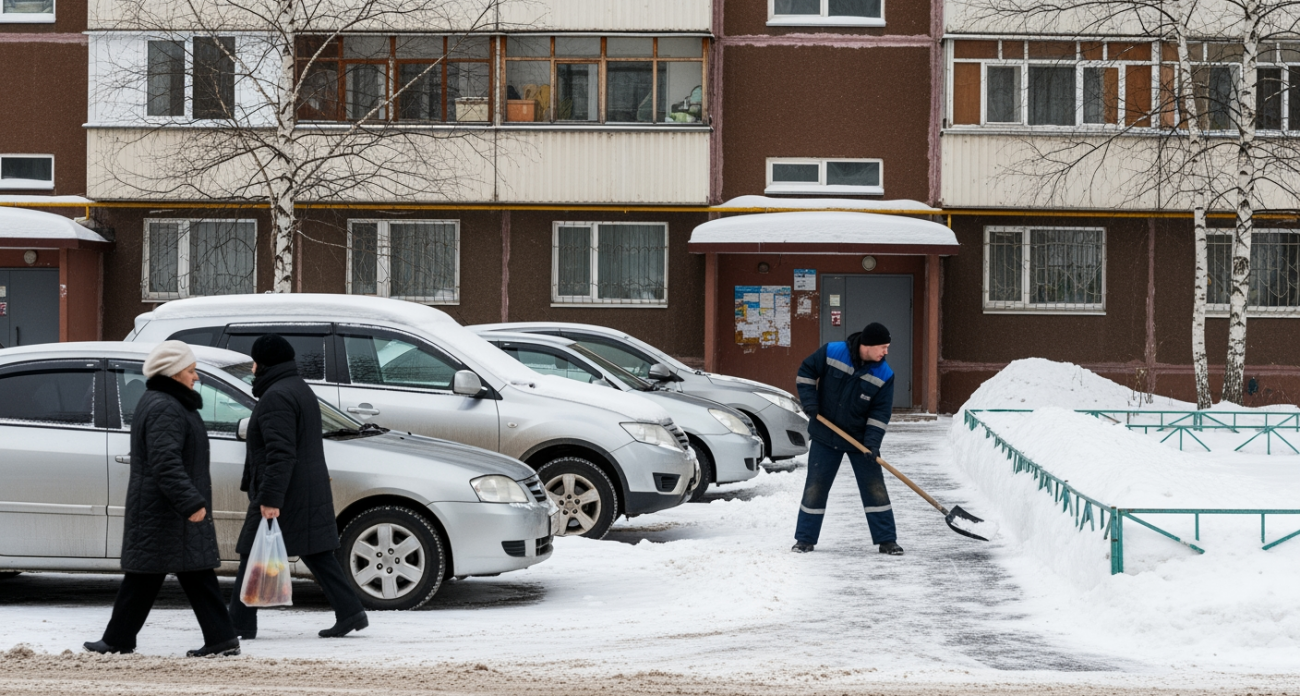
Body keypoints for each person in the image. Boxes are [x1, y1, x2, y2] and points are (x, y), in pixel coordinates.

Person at [85, 341, 240, 657]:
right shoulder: (164, 407)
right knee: (157, 574)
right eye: (191, 370)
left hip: (167, 508)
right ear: (173, 372)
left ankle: (121, 639)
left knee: (171, 573)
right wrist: (190, 502)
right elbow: (165, 462)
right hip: (164, 509)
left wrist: (189, 501)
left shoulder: (171, 403)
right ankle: (217, 639)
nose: (196, 377)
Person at [228, 334, 368, 639]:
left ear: (264, 363)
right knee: (316, 553)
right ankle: (350, 612)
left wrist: (270, 498)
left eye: (255, 361)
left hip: (285, 491)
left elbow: (281, 453)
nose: (252, 367)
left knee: (252, 551)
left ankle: (238, 625)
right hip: (303, 487)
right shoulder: (298, 388)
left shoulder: (276, 396)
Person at [791, 322, 903, 556]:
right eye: (883, 347)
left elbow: (879, 414)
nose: (886, 352)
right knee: (815, 487)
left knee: (875, 488)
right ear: (868, 345)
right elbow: (806, 372)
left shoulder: (884, 374)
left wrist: (872, 444)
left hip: (860, 441)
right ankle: (804, 539)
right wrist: (810, 403)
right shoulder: (832, 352)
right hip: (825, 433)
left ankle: (887, 540)